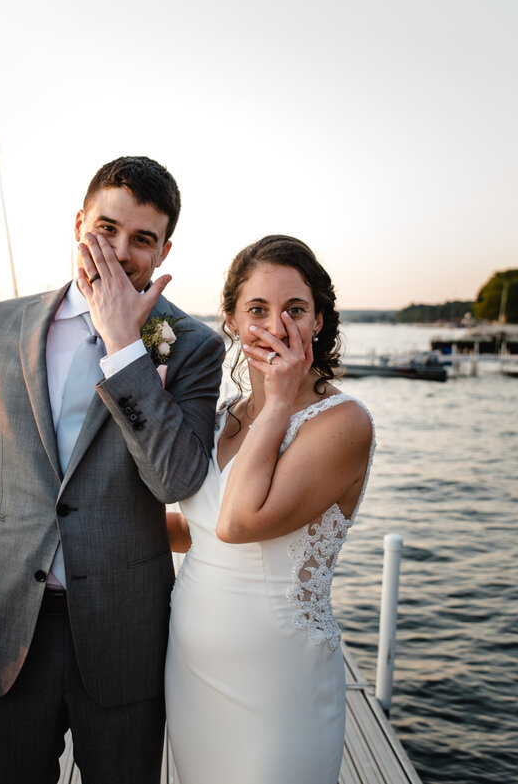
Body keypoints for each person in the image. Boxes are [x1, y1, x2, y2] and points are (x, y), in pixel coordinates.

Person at [0, 156, 225, 784]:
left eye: (142, 240)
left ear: (164, 251)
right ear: (78, 223)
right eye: (106, 229)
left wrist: (127, 348)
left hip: (125, 634)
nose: (119, 252)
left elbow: (175, 481)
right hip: (4, 626)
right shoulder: (2, 325)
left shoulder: (192, 347)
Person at [163, 235, 375, 784]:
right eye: (257, 310)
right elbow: (201, 528)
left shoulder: (342, 423)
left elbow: (238, 523)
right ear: (231, 321)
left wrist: (279, 401)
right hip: (192, 668)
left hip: (279, 680)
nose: (277, 327)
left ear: (320, 320)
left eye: (295, 310)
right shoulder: (220, 415)